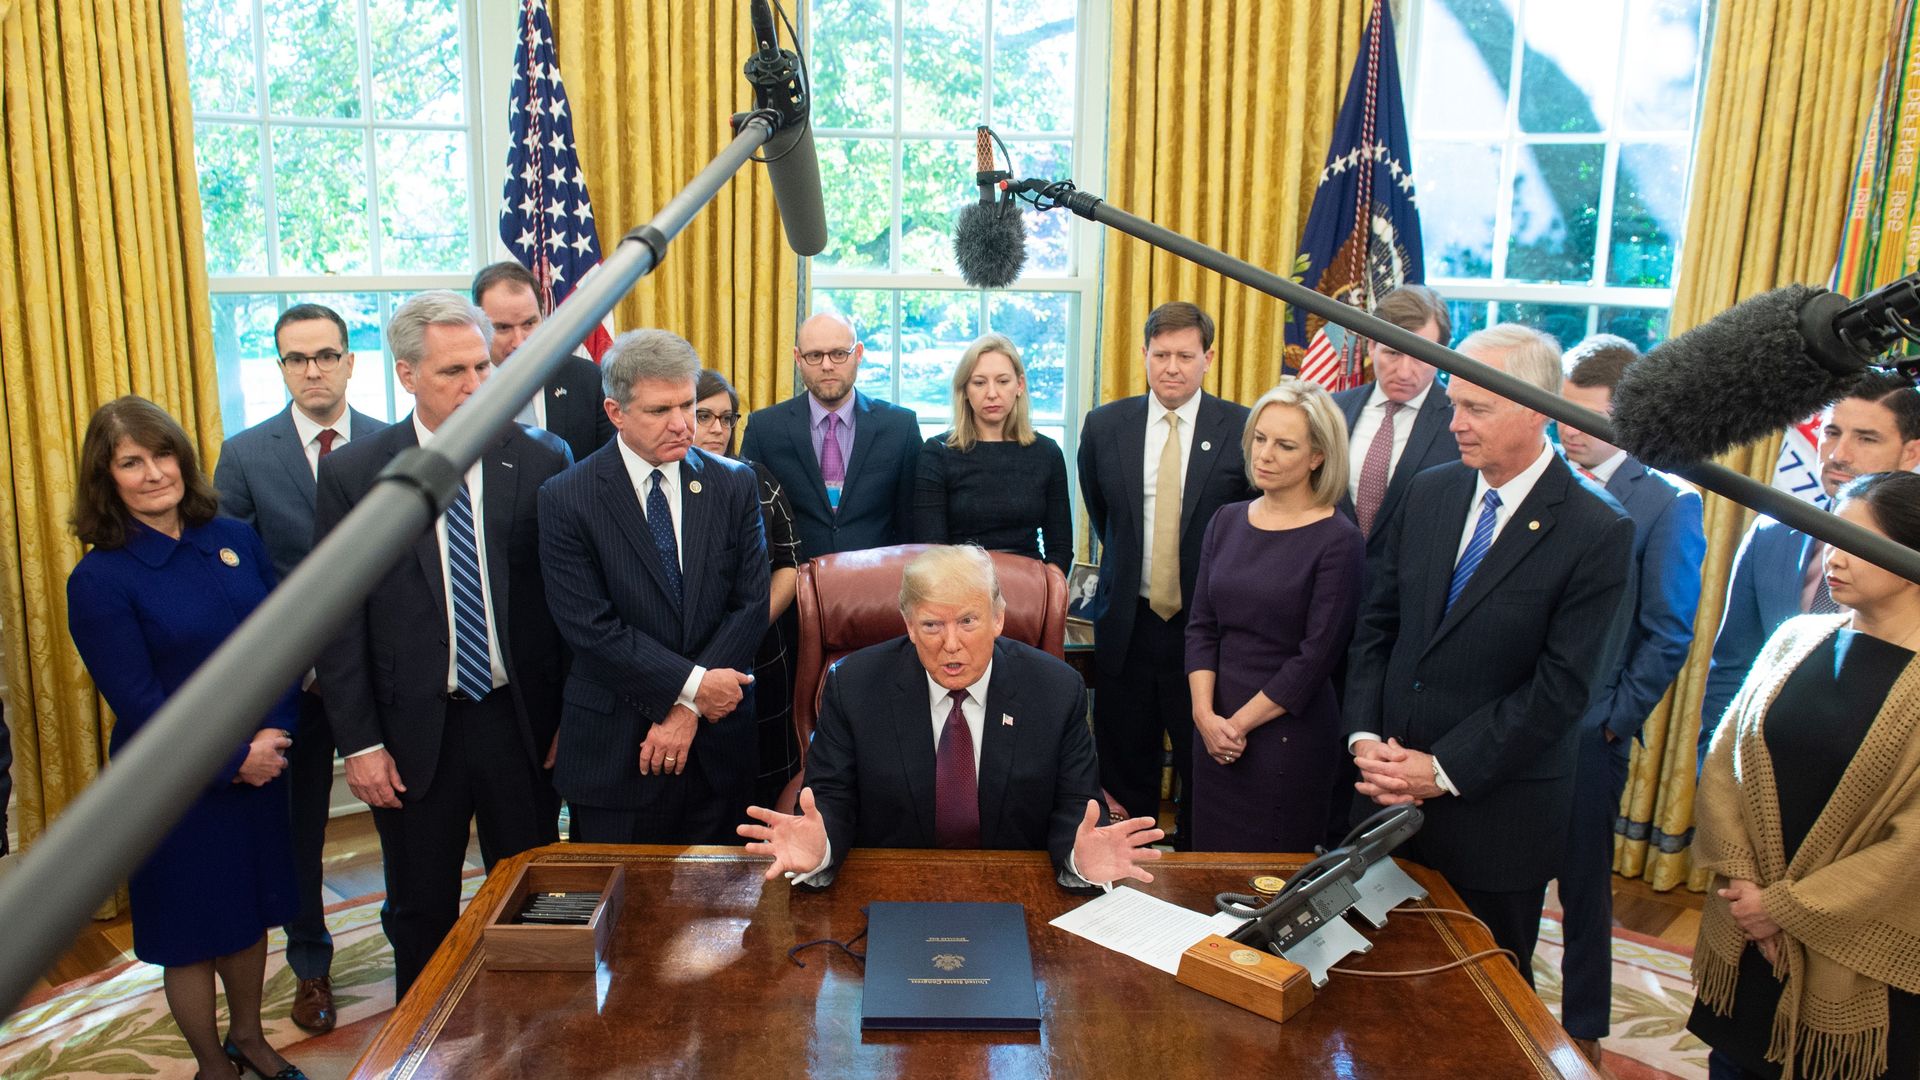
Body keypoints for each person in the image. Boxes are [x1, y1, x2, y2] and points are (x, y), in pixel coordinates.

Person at [1344, 324, 1635, 979]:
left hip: (1494, 817)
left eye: (1477, 408)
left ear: (1536, 410)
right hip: (1384, 794)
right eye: (1454, 403)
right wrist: (1365, 738)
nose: (1455, 423)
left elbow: (1561, 690)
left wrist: (1440, 769)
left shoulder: (1598, 529)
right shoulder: (1429, 491)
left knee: (1483, 999)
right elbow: (1377, 626)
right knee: (1371, 981)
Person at [313, 291, 570, 998]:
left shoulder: (544, 457)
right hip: (411, 729)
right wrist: (359, 744)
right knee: (420, 906)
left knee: (534, 899)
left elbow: (567, 605)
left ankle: (536, 1034)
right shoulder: (356, 474)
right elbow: (338, 618)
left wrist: (566, 720)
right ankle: (422, 1040)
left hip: (519, 721)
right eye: (454, 371)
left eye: (484, 366)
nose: (477, 385)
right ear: (407, 375)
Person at [66, 397, 306, 1080]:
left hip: (262, 764)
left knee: (251, 915)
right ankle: (213, 1064)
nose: (152, 474)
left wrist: (276, 731)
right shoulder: (99, 578)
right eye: (130, 463)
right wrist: (233, 760)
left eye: (161, 454)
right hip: (176, 787)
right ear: (106, 479)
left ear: (183, 458)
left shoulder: (234, 538)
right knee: (192, 937)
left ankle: (253, 1039)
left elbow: (281, 643)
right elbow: (142, 705)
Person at [737, 545, 1164, 887]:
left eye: (968, 620)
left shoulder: (1055, 690)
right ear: (907, 625)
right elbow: (828, 800)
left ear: (998, 618)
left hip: (1017, 891)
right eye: (931, 625)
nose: (952, 644)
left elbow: (1077, 806)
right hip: (891, 889)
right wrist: (822, 846)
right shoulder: (854, 685)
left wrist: (1078, 855)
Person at [1688, 470, 1920, 1080]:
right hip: (1747, 937)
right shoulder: (1796, 637)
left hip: (1856, 956)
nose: (1830, 554)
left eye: (1853, 540)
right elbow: (1724, 767)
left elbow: (1911, 846)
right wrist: (1745, 888)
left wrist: (1784, 909)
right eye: (1828, 534)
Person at [212, 302, 387, 1036]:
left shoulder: (394, 444)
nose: (312, 369)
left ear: (351, 361)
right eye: (296, 358)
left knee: (411, 820)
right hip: (299, 687)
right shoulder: (246, 455)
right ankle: (311, 969)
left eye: (326, 354)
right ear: (280, 367)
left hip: (386, 677)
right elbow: (234, 581)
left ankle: (417, 945)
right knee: (298, 834)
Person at [539, 331, 768, 844]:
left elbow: (750, 605)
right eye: (660, 409)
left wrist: (690, 708)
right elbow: (591, 629)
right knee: (620, 912)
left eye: (688, 403)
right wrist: (690, 688)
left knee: (722, 917)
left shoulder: (734, 484)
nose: (683, 423)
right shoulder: (567, 496)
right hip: (618, 748)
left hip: (719, 748)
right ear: (616, 412)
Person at [1554, 336, 1706, 1061]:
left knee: (1583, 887)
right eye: (1561, 410)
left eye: (1585, 416)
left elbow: (1668, 632)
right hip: (1527, 717)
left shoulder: (1668, 502)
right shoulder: (1548, 477)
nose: (1567, 426)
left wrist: (1613, 724)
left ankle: (1582, 1022)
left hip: (1592, 731)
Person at [1077, 301, 1253, 846]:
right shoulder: (1106, 426)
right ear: (1145, 356)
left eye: (1184, 355)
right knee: (1125, 758)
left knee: (1205, 763)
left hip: (1208, 630)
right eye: (1160, 355)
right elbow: (1103, 510)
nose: (1171, 367)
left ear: (1209, 358)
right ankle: (1131, 873)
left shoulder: (1243, 428)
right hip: (1128, 623)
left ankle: (1199, 868)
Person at [1698, 374, 1920, 767]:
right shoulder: (1771, 533)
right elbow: (1733, 670)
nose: (1839, 454)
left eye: (1866, 438)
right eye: (1831, 433)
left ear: (1911, 453)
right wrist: (1712, 768)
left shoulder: (1912, 555)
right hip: (1757, 770)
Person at [1185, 379, 1365, 852]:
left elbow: (1314, 660)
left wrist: (1237, 726)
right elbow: (1202, 626)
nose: (1264, 454)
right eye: (1259, 438)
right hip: (1214, 728)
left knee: (1270, 885)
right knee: (1209, 873)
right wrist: (1204, 715)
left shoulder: (1339, 539)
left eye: (1285, 445)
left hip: (1286, 736)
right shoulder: (1226, 519)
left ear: (1317, 457)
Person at [694, 368, 804, 808]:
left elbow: (792, 563)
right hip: (689, 656)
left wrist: (750, 624)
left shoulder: (757, 477)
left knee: (764, 772)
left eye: (727, 417)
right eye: (705, 416)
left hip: (762, 649)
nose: (717, 429)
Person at [738, 312, 922, 559]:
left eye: (838, 354)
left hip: (877, 587)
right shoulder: (764, 429)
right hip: (795, 586)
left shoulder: (901, 427)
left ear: (857, 353)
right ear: (798, 358)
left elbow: (912, 526)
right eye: (815, 355)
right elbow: (751, 524)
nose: (827, 365)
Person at [912, 333, 1072, 573]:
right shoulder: (937, 453)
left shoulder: (1047, 452)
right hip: (958, 587)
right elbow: (932, 550)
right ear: (965, 390)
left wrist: (1045, 593)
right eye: (979, 382)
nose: (992, 393)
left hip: (1029, 587)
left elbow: (1060, 547)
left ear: (1020, 385)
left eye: (1002, 381)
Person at [1331, 284, 1462, 555]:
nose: (1404, 372)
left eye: (1420, 357)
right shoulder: (1334, 409)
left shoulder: (1460, 425)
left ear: (1442, 356)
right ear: (1372, 347)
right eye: (1392, 353)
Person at [472, 260, 614, 464]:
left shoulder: (587, 380)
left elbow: (607, 465)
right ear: (478, 326)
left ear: (543, 316)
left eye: (529, 324)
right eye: (503, 328)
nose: (520, 342)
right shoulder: (467, 389)